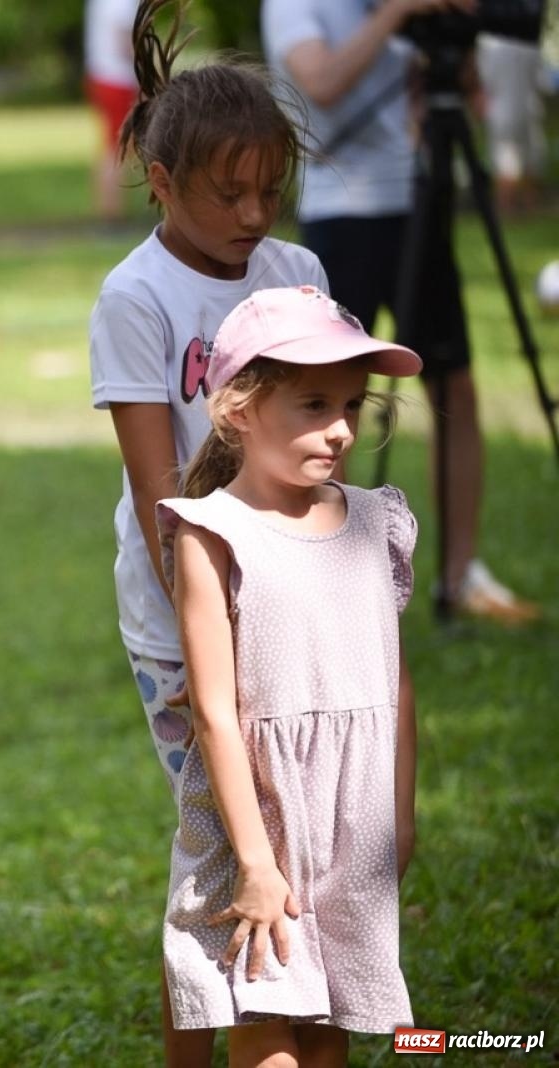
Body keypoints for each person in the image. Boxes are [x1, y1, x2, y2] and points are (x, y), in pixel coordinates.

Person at [87, 0, 326, 1061]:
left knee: (288, 842)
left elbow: (326, 437)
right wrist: (203, 635)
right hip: (181, 621)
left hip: (289, 604)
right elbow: (155, 491)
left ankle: (288, 1022)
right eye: (226, 192)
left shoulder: (296, 276)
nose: (252, 212)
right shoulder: (135, 295)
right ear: (161, 182)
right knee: (219, 855)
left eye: (268, 189)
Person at [157, 285, 421, 1067]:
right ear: (238, 406)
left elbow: (397, 686)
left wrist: (399, 820)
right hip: (260, 817)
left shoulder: (377, 521)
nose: (340, 430)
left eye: (351, 406)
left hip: (354, 811)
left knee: (330, 1020)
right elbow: (214, 713)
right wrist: (255, 863)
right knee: (267, 1020)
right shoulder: (214, 533)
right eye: (313, 404)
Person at [262, 0, 540, 623]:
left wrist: (456, 43)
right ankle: (319, 572)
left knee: (455, 387)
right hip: (341, 213)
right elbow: (323, 85)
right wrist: (396, 15)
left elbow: (456, 93)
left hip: (415, 196)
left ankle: (461, 574)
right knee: (324, 397)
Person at [84, 0, 143, 222]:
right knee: (116, 148)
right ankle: (111, 214)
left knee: (115, 146)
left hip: (102, 75)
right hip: (116, 79)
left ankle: (112, 209)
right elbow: (124, 43)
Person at [476, 33, 547, 215]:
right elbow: (539, 79)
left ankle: (507, 208)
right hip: (528, 108)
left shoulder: (489, 44)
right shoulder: (530, 43)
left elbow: (485, 79)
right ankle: (529, 207)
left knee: (506, 162)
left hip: (502, 110)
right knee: (527, 159)